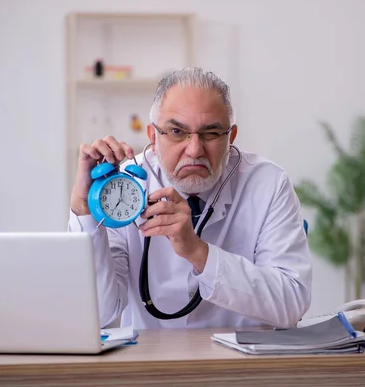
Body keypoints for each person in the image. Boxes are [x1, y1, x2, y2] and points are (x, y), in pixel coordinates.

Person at [68, 67, 312, 330]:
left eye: (211, 133)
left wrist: (198, 252)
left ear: (231, 138)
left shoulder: (268, 184)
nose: (195, 150)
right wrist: (84, 210)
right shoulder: (123, 189)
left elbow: (291, 302)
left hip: (240, 365)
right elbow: (98, 314)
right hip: (149, 364)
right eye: (176, 132)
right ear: (152, 136)